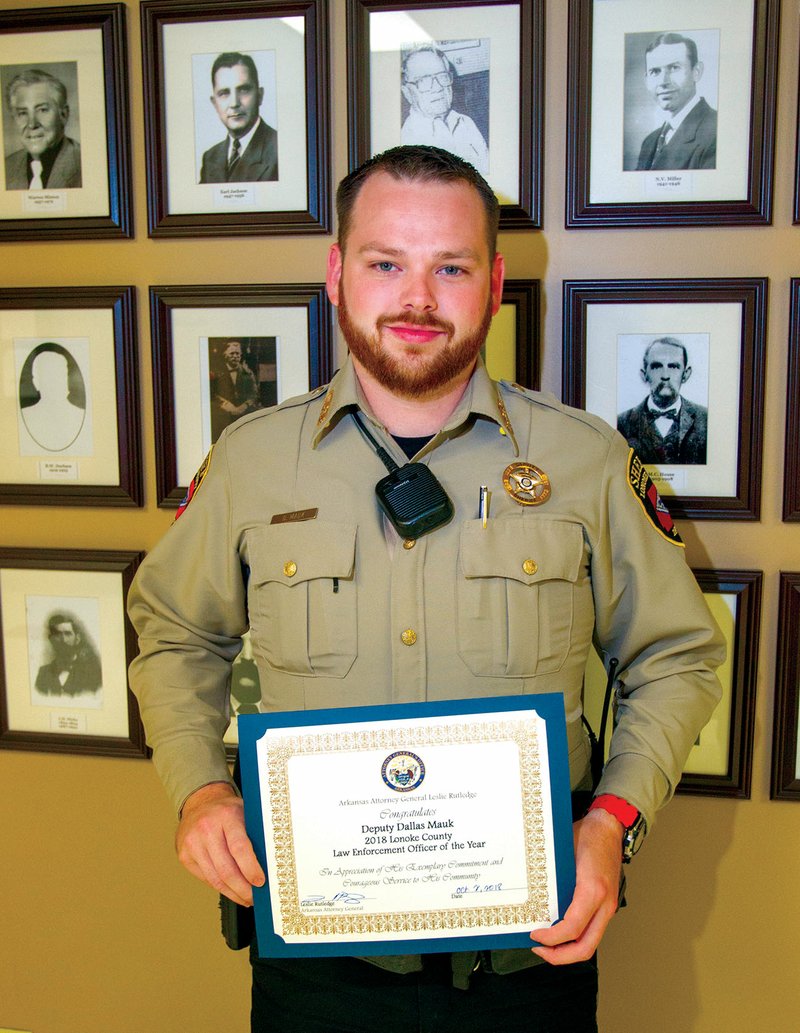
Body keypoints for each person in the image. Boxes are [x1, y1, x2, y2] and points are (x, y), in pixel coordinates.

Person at [128, 145, 723, 1032]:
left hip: (527, 958)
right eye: (385, 263)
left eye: (451, 265)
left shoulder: (584, 461)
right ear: (337, 273)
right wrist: (198, 788)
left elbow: (675, 657)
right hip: (319, 964)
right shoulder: (252, 463)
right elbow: (174, 634)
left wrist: (611, 822)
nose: (417, 297)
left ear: (494, 281)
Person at [617, 336, 708, 465]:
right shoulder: (621, 424)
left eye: (673, 367)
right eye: (656, 366)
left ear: (686, 374)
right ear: (644, 375)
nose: (665, 375)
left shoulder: (706, 420)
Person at [401, 45, 489, 175]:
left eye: (442, 76)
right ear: (408, 92)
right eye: (424, 80)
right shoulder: (406, 144)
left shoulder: (466, 122)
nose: (437, 87)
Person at [635, 32, 717, 171]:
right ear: (647, 80)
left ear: (696, 72)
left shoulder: (716, 132)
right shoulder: (649, 143)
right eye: (655, 71)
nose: (663, 81)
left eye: (674, 68)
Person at [199, 52, 278, 184]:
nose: (234, 103)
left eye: (243, 90)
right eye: (224, 93)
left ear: (260, 96)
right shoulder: (210, 157)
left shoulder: (280, 151)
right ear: (214, 103)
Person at [4, 69, 81, 190]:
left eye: (42, 110)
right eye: (23, 113)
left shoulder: (85, 164)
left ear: (64, 115)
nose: (32, 124)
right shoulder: (6, 168)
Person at [20, 345, 85, 452]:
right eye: (50, 375)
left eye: (61, 374)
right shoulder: (26, 416)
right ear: (37, 382)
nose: (57, 381)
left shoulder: (79, 415)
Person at [35, 613, 101, 696]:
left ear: (77, 639)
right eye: (58, 634)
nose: (63, 640)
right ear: (51, 640)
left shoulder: (92, 672)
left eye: (68, 634)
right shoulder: (43, 673)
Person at [210, 339, 259, 441]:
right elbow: (211, 393)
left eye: (237, 353)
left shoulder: (248, 373)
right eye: (232, 353)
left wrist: (244, 406)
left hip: (243, 412)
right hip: (223, 413)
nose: (235, 356)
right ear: (225, 355)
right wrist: (224, 404)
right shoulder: (216, 372)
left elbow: (254, 394)